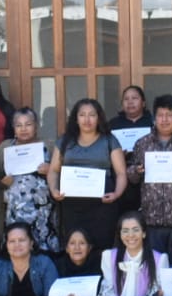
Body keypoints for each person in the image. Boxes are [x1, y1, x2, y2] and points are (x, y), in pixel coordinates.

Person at [47, 97, 127, 253]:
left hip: (102, 205)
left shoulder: (109, 140)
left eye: (92, 115)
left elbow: (121, 173)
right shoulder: (65, 141)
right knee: (75, 246)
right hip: (72, 205)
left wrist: (117, 194)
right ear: (76, 119)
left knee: (102, 246)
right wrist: (53, 189)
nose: (87, 119)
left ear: (99, 118)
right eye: (82, 115)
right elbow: (53, 170)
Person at [128, 94, 172, 254]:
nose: (164, 120)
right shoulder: (142, 143)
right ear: (154, 117)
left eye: (169, 115)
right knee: (156, 271)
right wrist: (137, 171)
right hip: (151, 221)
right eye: (160, 115)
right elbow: (131, 177)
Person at [0, 107, 59, 254]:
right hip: (14, 214)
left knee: (45, 252)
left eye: (28, 124)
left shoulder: (49, 147)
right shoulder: (4, 148)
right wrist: (3, 182)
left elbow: (64, 175)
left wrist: (51, 170)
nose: (24, 129)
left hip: (43, 214)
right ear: (13, 128)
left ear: (36, 125)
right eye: (19, 125)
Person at [108, 85, 152, 214]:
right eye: (126, 99)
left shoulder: (153, 123)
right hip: (119, 177)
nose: (130, 102)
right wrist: (116, 155)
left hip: (146, 176)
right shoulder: (113, 124)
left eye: (134, 98)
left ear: (143, 103)